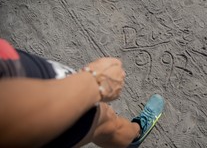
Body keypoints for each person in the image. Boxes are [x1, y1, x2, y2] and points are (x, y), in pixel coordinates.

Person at [0, 38, 165, 148]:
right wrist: (95, 82)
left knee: (100, 120)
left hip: (14, 67)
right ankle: (136, 133)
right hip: (46, 118)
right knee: (106, 121)